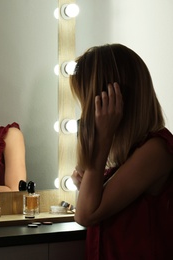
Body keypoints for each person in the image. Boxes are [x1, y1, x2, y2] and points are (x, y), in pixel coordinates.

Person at [69, 43, 173, 259]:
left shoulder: (156, 150)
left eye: (88, 101)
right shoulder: (128, 154)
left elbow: (86, 215)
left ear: (111, 98)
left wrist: (103, 137)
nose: (86, 111)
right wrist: (91, 182)